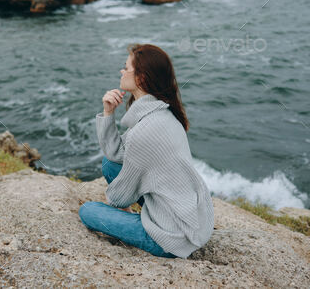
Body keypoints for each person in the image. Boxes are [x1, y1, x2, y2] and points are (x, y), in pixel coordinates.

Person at [78, 43, 214, 259]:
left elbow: (120, 197)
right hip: (187, 218)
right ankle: (137, 219)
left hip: (172, 238)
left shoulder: (147, 130)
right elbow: (116, 154)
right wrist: (107, 113)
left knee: (88, 211)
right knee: (110, 163)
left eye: (126, 68)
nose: (121, 72)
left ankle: (139, 224)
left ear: (141, 78)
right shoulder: (163, 113)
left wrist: (114, 209)